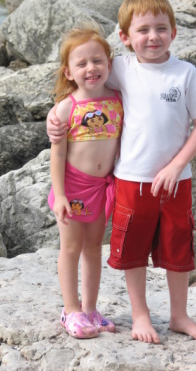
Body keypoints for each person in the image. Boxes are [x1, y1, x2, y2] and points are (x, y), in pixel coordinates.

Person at [47, 0, 196, 344]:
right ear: (124, 38)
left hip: (175, 180)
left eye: (161, 28)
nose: (152, 37)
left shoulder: (184, 74)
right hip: (129, 180)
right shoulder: (120, 68)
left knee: (176, 248)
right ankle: (140, 315)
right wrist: (55, 115)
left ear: (174, 31)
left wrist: (177, 165)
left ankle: (179, 315)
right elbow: (83, 84)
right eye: (142, 30)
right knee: (133, 249)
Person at [48, 22, 124, 339]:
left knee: (94, 248)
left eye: (97, 61)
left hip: (101, 188)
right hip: (73, 189)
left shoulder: (118, 99)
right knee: (71, 248)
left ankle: (90, 307)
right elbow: (57, 155)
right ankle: (71, 310)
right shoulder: (67, 109)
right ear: (68, 72)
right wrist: (61, 195)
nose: (91, 68)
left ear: (109, 64)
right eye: (81, 63)